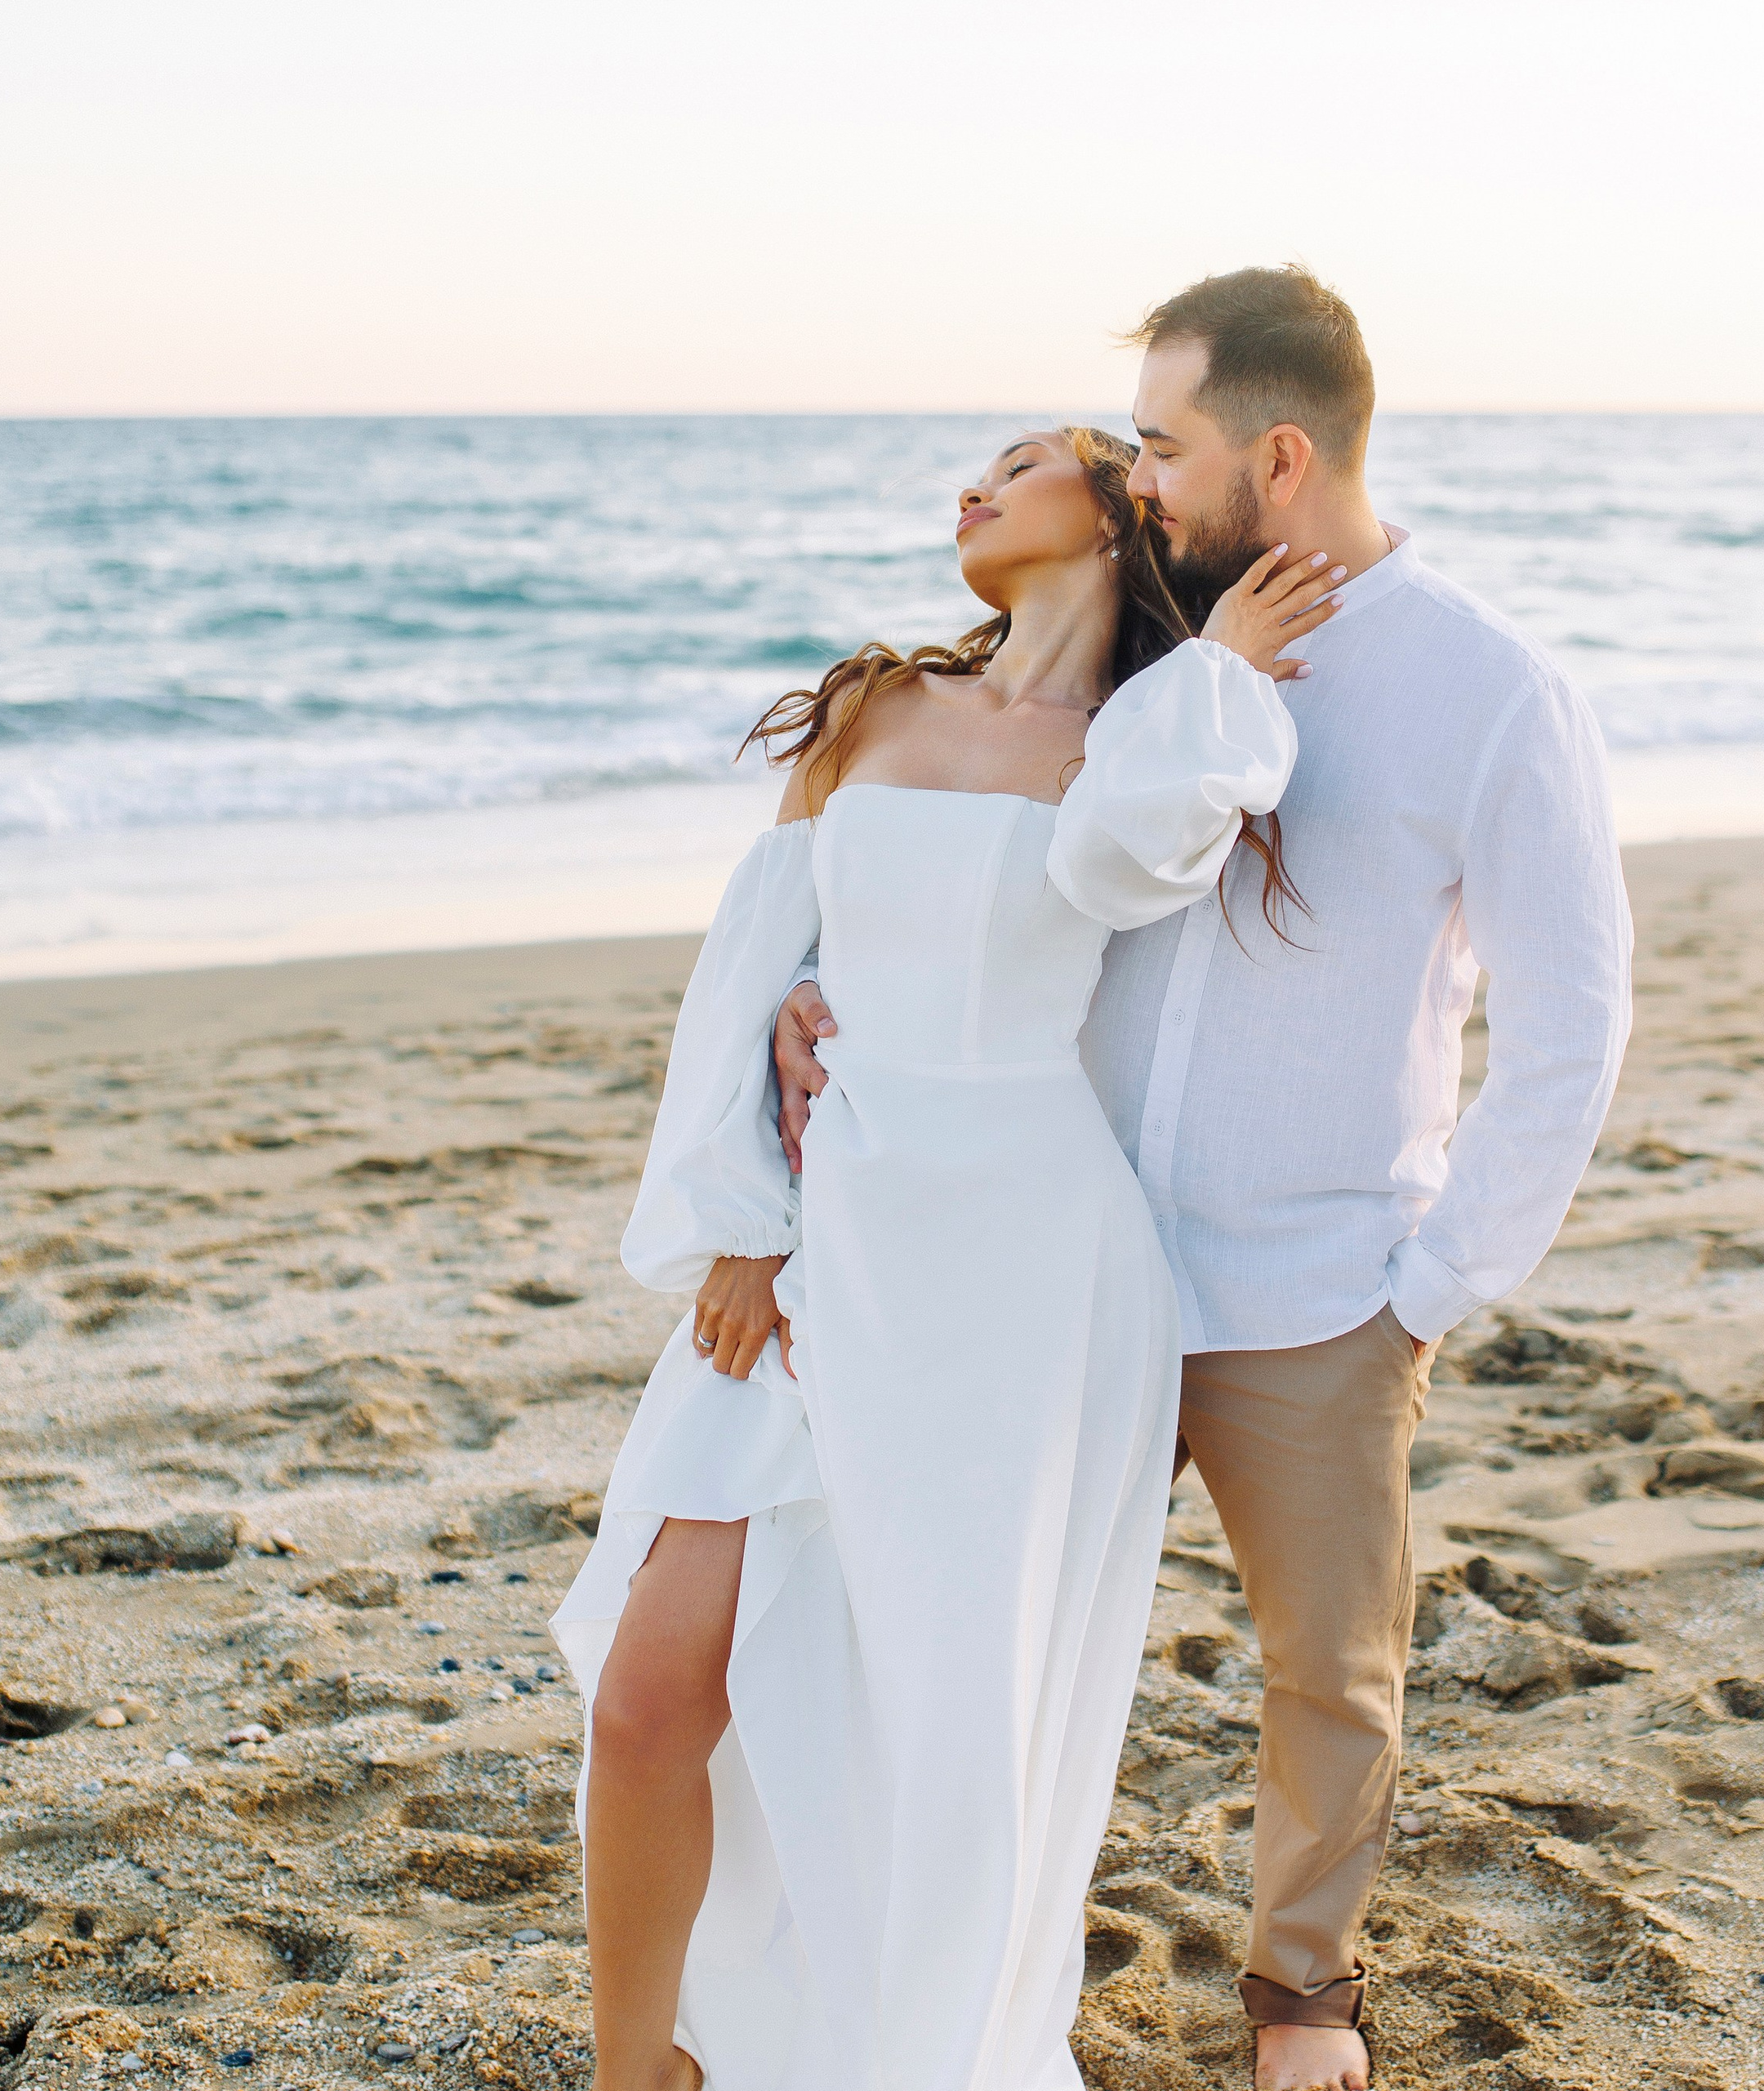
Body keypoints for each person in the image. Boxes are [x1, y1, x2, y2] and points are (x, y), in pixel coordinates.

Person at [776, 268, 1635, 2091]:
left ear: (1281, 451)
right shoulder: (1156, 638)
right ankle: (969, 1963)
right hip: (1053, 1245)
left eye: (1162, 443)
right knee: (981, 1623)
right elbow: (986, 848)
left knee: (1327, 1667)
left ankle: (1296, 1996)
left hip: (1316, 1284)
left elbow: (1571, 1019)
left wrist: (1437, 1278)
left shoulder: (1490, 691)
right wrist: (814, 984)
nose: (1138, 477)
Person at [552, 422, 1341, 2091]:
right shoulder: (871, 710)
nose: (969, 483)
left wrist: (1212, 671)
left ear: (1119, 501)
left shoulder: (1148, 737)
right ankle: (641, 2069)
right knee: (647, 1688)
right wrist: (742, 1215)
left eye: (1020, 456)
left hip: (1024, 1272)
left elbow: (1125, 860)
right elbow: (753, 963)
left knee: (951, 1713)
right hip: (822, 1227)